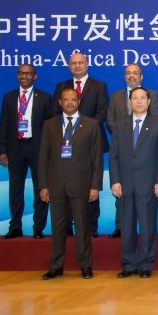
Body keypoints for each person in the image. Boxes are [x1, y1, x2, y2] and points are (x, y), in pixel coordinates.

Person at [39, 88, 103, 280]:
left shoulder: (91, 125)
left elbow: (96, 159)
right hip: (56, 184)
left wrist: (94, 186)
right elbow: (43, 157)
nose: (69, 103)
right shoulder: (49, 125)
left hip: (81, 184)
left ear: (79, 101)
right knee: (57, 228)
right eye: (66, 100)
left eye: (73, 100)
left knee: (82, 228)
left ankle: (85, 266)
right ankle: (56, 266)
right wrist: (43, 185)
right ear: (60, 102)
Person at [109, 88, 158, 279]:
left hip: (148, 184)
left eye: (143, 98)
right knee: (126, 227)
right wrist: (114, 180)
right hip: (125, 184)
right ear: (129, 102)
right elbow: (113, 155)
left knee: (147, 226)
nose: (139, 101)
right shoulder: (120, 124)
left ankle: (145, 264)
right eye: (135, 98)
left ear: (149, 102)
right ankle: (128, 264)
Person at [51, 52, 108, 238]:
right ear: (69, 66)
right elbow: (55, 112)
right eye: (73, 63)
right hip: (64, 144)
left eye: (80, 63)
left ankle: (91, 227)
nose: (77, 66)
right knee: (65, 184)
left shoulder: (99, 86)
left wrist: (83, 131)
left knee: (91, 185)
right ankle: (67, 225)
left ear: (87, 64)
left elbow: (102, 112)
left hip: (90, 143)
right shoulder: (61, 86)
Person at [105, 63, 158, 239]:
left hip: (145, 154)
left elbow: (153, 121)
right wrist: (125, 136)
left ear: (141, 76)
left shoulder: (152, 95)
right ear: (124, 76)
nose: (131, 76)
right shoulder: (116, 96)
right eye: (128, 73)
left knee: (145, 210)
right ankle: (120, 226)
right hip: (123, 150)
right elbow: (110, 121)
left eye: (135, 73)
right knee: (122, 196)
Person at [0, 64, 51, 239]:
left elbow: (50, 127)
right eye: (21, 73)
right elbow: (3, 124)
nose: (24, 76)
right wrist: (2, 150)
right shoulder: (9, 97)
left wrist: (49, 150)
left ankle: (38, 228)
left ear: (35, 76)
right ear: (17, 75)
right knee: (15, 190)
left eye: (28, 73)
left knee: (41, 188)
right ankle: (15, 227)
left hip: (38, 148)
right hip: (15, 148)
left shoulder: (45, 97)